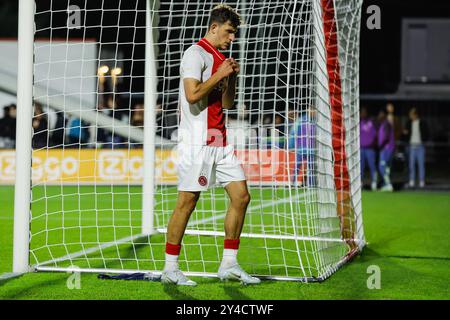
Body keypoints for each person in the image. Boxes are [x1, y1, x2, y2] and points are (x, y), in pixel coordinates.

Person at [161, 4, 260, 286]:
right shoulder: (195, 54)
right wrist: (219, 75)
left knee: (241, 197)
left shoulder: (221, 57)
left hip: (220, 139)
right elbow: (192, 95)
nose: (232, 38)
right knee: (188, 202)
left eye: (234, 33)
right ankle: (170, 267)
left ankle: (229, 264)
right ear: (214, 27)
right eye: (229, 32)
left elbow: (227, 103)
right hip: (197, 141)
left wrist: (232, 77)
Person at [287, 106, 316, 187]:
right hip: (301, 148)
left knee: (311, 168)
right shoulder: (300, 120)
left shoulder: (316, 121)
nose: (313, 111)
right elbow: (293, 133)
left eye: (314, 110)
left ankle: (310, 184)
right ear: (308, 109)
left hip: (312, 149)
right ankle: (293, 183)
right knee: (297, 167)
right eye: (311, 109)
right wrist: (290, 146)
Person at [403, 108, 429, 188]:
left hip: (420, 146)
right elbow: (405, 133)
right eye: (410, 114)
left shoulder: (422, 122)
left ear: (416, 114)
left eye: (412, 114)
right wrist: (405, 133)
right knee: (411, 165)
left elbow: (427, 133)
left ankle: (421, 181)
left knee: (421, 165)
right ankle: (412, 181)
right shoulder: (409, 123)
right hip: (411, 146)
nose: (410, 116)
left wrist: (424, 141)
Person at [359, 107, 377, 190]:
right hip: (361, 149)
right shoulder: (359, 123)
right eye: (361, 112)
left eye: (364, 112)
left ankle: (374, 182)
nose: (363, 114)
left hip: (370, 149)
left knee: (372, 166)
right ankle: (360, 183)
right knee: (361, 167)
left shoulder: (371, 123)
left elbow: (375, 135)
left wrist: (372, 144)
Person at [377, 109, 395, 192]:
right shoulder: (383, 124)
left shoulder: (386, 124)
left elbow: (386, 137)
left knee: (382, 167)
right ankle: (385, 184)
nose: (379, 116)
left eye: (380, 114)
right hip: (387, 148)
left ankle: (388, 184)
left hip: (386, 149)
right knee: (387, 168)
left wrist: (381, 146)